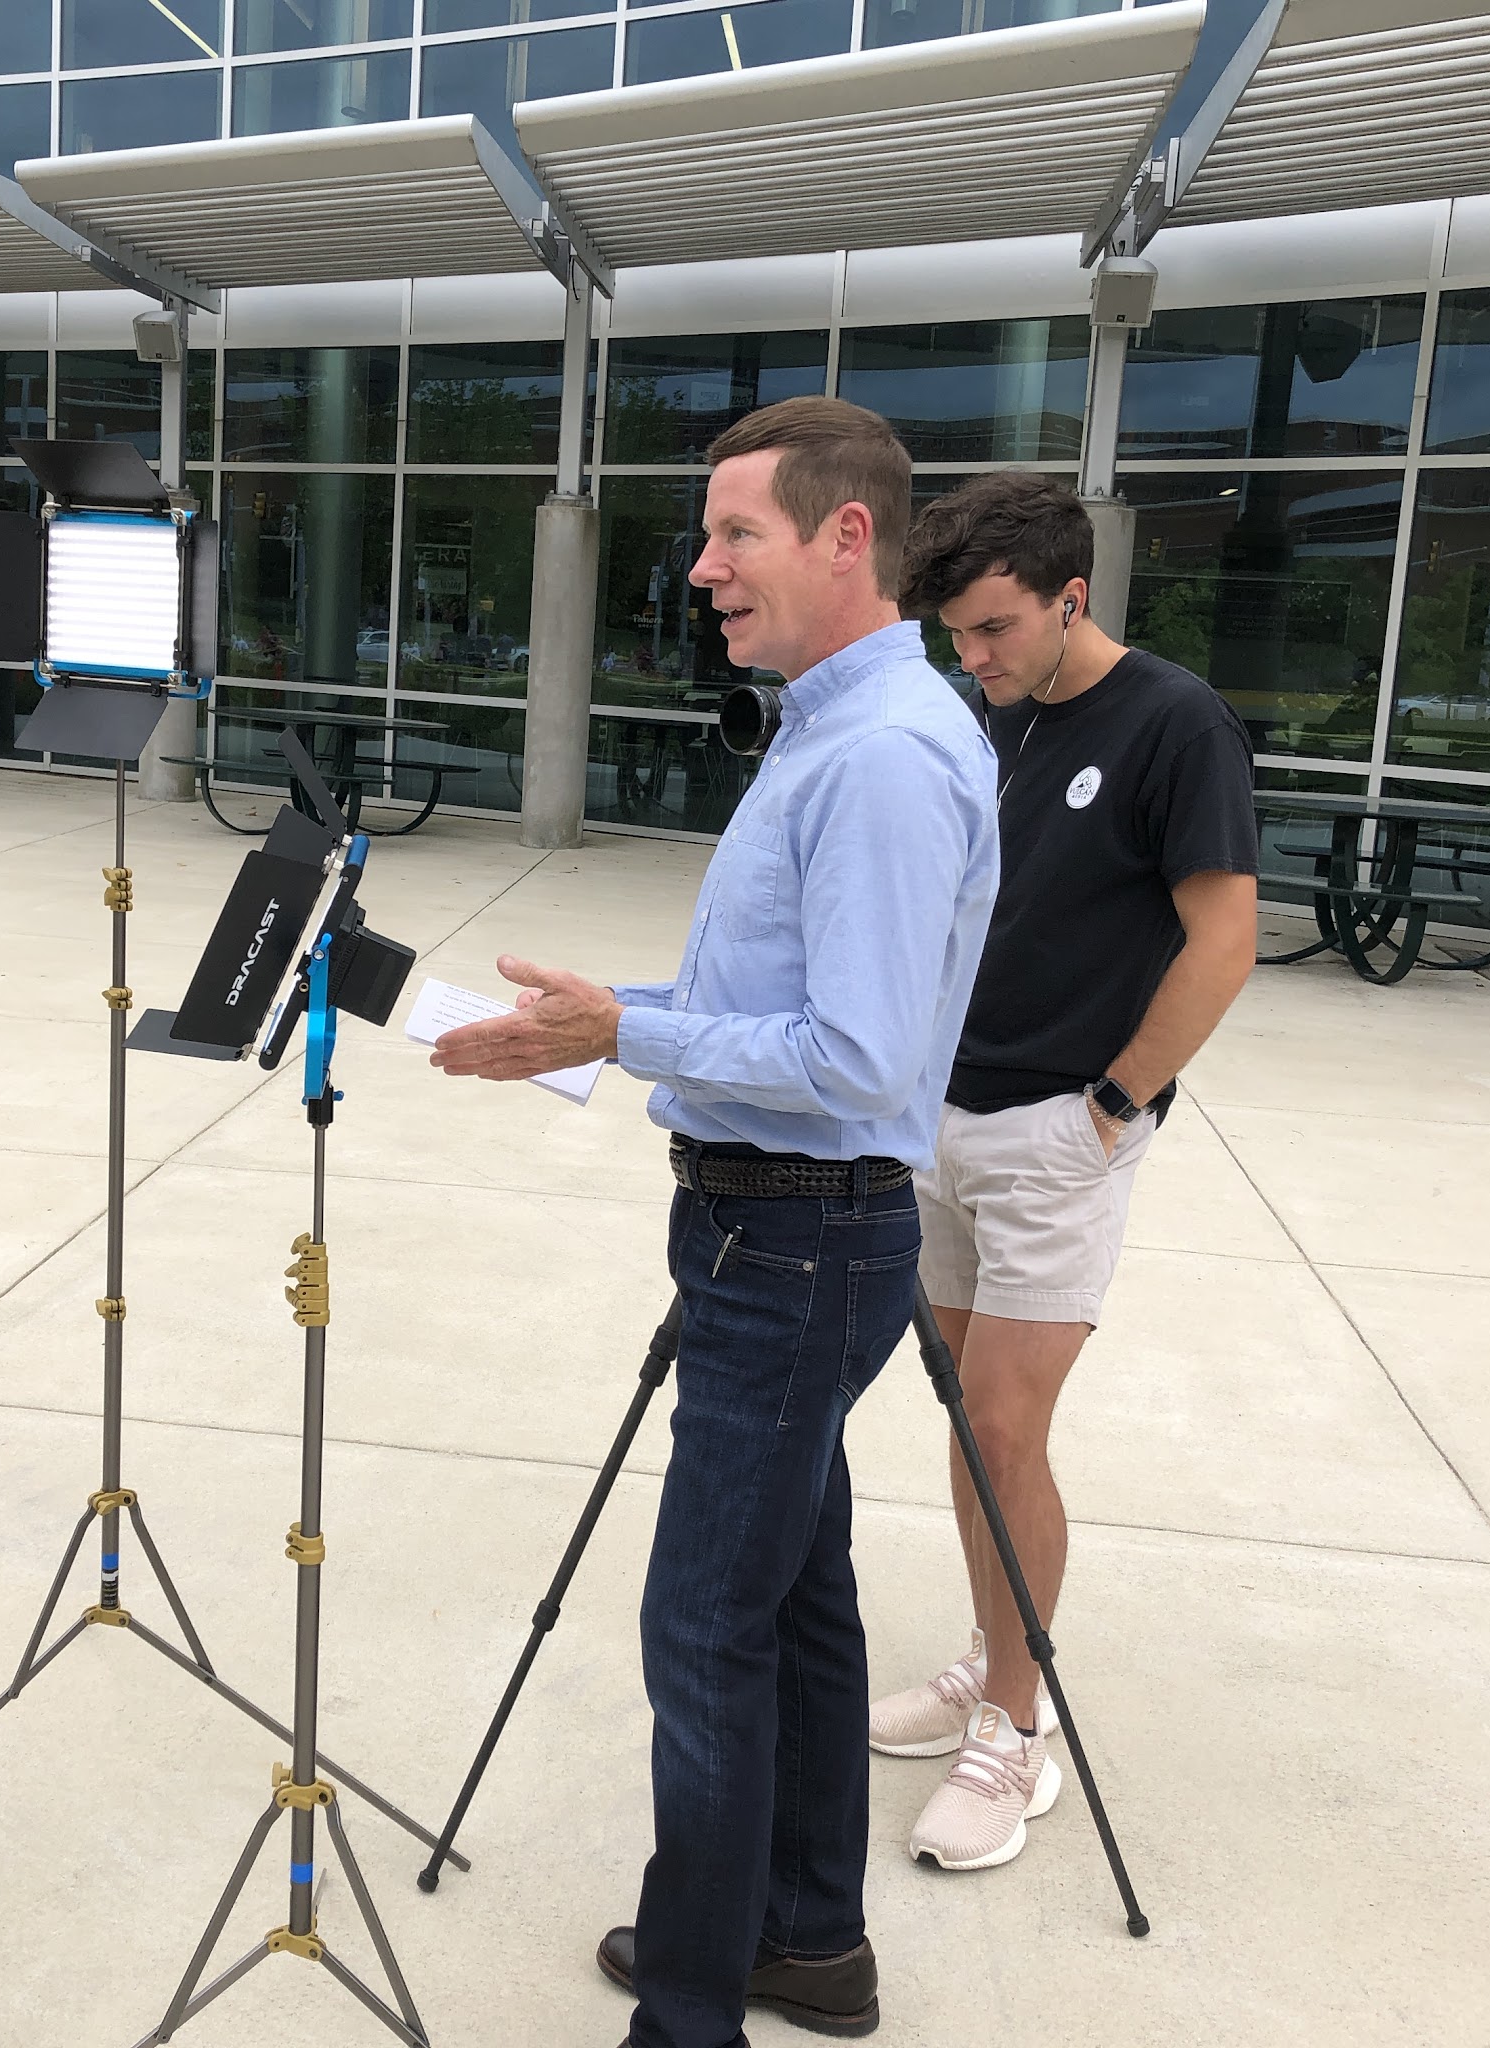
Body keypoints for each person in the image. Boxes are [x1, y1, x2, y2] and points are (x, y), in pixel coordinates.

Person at [431, 396, 999, 2048]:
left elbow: (859, 1057)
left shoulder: (880, 756)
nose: (702, 569)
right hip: (787, 1233)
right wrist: (605, 1023)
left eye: (738, 533)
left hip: (797, 1242)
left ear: (847, 536)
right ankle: (806, 1941)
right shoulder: (834, 729)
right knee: (796, 1597)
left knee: (703, 1630)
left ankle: (690, 2017)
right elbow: (779, 1004)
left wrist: (629, 1034)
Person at [874, 472, 1257, 1873]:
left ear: (1070, 598)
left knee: (1007, 1427)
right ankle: (993, 1657)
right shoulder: (991, 717)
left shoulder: (1175, 722)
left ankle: (1016, 1731)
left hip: (1058, 1134)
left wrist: (1112, 1104)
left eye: (995, 629)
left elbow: (1224, 936)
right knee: (966, 1423)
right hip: (942, 1118)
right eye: (957, 636)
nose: (973, 657)